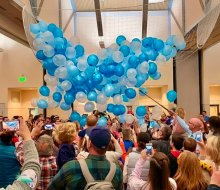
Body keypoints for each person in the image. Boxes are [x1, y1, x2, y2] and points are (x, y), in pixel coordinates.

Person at [48, 127, 123, 190]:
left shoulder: (71, 167)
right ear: (108, 145)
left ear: (89, 143)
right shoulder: (117, 170)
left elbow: (51, 187)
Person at [1, 119, 41, 190]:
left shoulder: (17, 151)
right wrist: (28, 136)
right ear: (13, 137)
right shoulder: (17, 152)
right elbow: (32, 169)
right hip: (14, 184)